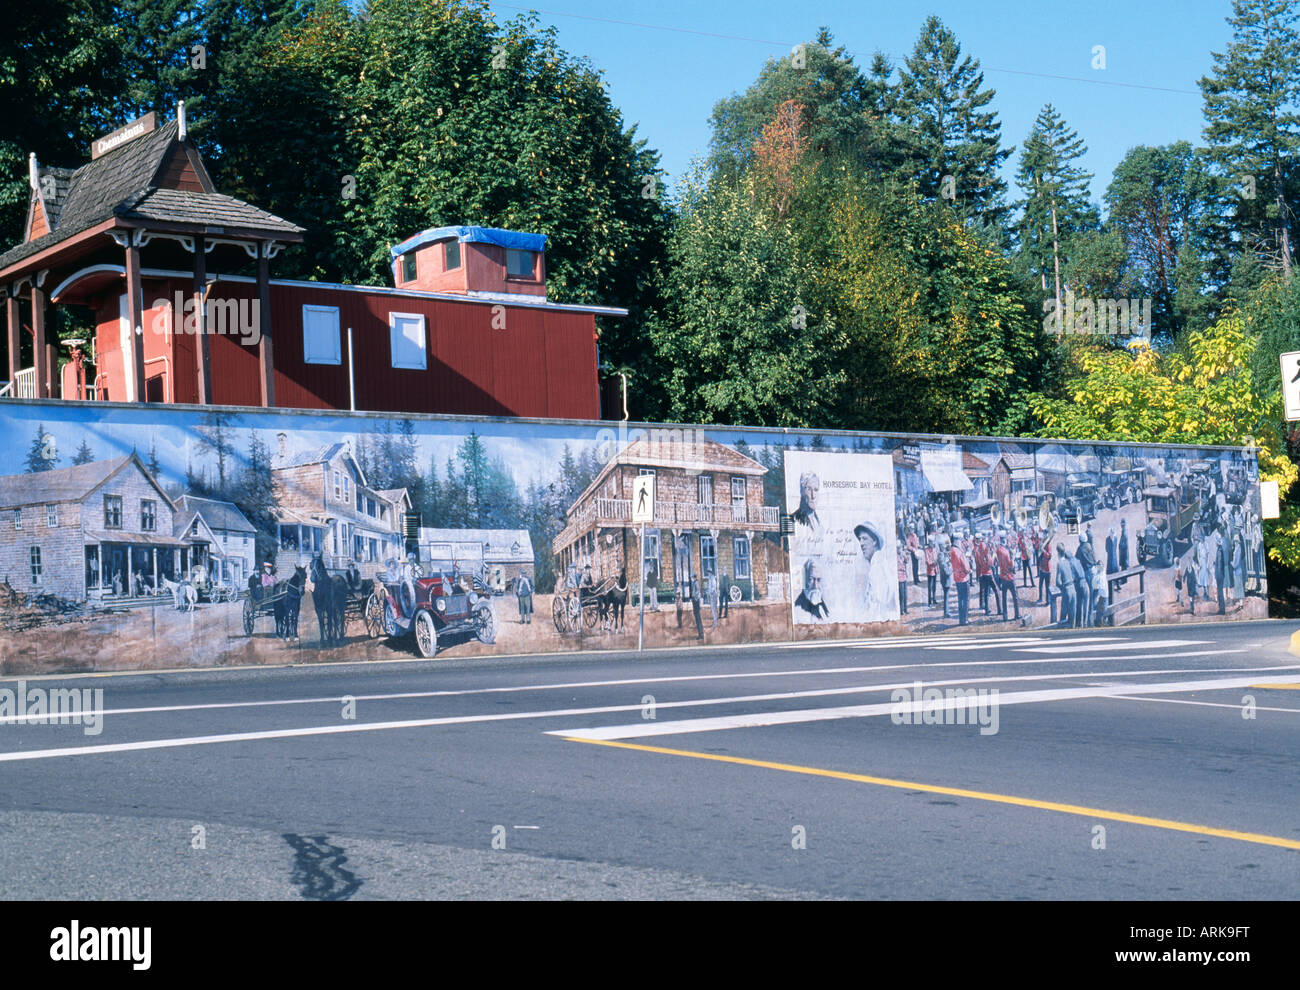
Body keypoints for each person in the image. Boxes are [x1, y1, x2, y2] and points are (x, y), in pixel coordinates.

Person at [855, 522, 894, 618]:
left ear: (875, 541)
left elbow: (879, 604)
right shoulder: (877, 563)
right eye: (860, 539)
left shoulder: (878, 566)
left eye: (864, 538)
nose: (861, 543)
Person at [994, 532, 1020, 621]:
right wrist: (1013, 556)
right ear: (1004, 540)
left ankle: (1005, 616)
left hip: (1002, 576)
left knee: (1004, 597)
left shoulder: (998, 550)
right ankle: (1017, 615)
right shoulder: (1006, 552)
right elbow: (1011, 565)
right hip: (1009, 577)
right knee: (1015, 597)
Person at [791, 472, 823, 540]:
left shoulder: (819, 521)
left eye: (816, 490)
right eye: (809, 489)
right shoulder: (793, 520)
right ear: (802, 491)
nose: (813, 496)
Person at [950, 538, 971, 626]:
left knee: (960, 599)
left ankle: (961, 619)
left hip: (957, 577)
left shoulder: (952, 551)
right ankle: (965, 619)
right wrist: (969, 570)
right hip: (964, 578)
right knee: (966, 600)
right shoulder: (959, 552)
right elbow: (966, 567)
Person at [1055, 545, 1077, 629]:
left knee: (1063, 615)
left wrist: (1062, 588)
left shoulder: (1059, 564)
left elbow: (1058, 582)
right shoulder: (1068, 561)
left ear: (1058, 553)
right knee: (1072, 616)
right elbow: (1074, 576)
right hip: (1073, 589)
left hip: (1066, 590)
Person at [974, 534, 994, 615]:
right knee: (982, 589)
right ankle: (982, 605)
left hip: (982, 570)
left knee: (983, 588)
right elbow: (978, 561)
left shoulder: (980, 548)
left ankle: (982, 604)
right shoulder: (977, 548)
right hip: (981, 570)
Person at [938, 536, 953, 618]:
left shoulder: (945, 554)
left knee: (947, 595)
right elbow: (944, 567)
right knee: (946, 596)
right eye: (944, 545)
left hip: (946, 577)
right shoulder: (941, 555)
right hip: (945, 578)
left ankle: (946, 611)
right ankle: (946, 612)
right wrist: (951, 569)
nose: (945, 546)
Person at [897, 543, 909, 616]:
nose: (900, 549)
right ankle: (901, 610)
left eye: (901, 548)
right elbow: (898, 567)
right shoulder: (896, 557)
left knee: (905, 594)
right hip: (899, 577)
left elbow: (907, 561)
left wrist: (905, 556)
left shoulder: (902, 555)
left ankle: (905, 609)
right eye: (899, 548)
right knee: (901, 595)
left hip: (904, 576)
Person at [925, 541, 938, 607]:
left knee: (934, 586)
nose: (932, 544)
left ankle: (934, 599)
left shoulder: (935, 550)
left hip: (935, 570)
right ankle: (929, 601)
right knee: (930, 587)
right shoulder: (927, 550)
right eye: (931, 543)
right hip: (930, 571)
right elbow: (927, 561)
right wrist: (933, 563)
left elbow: (936, 558)